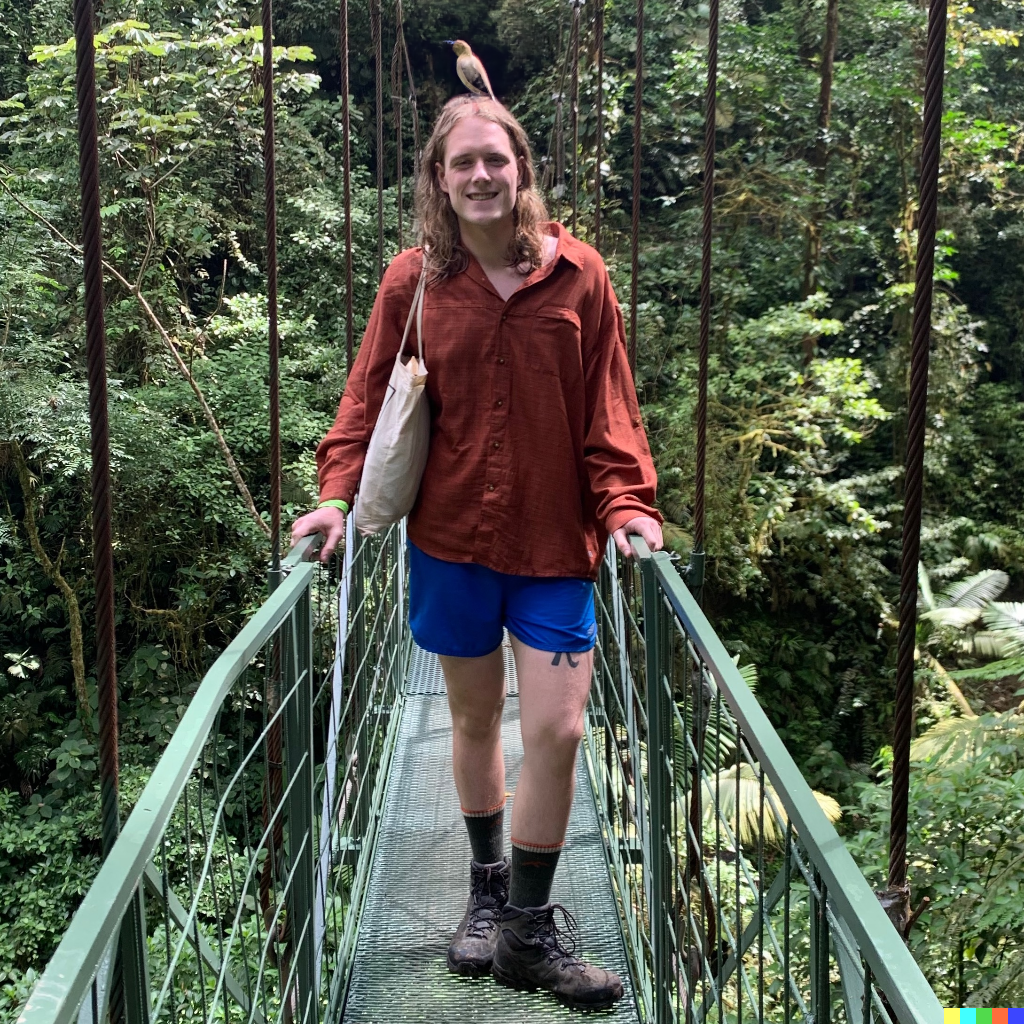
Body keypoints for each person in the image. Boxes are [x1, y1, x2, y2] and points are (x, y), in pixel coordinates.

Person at [291, 95, 663, 1010]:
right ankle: (488, 896)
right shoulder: (412, 283)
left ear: (522, 169)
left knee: (558, 729)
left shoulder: (581, 277)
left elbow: (609, 408)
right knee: (470, 722)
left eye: (497, 160)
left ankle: (529, 936)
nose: (482, 176)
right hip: (451, 541)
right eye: (463, 164)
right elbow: (369, 398)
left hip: (554, 544)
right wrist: (335, 497)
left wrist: (627, 505)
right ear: (439, 179)